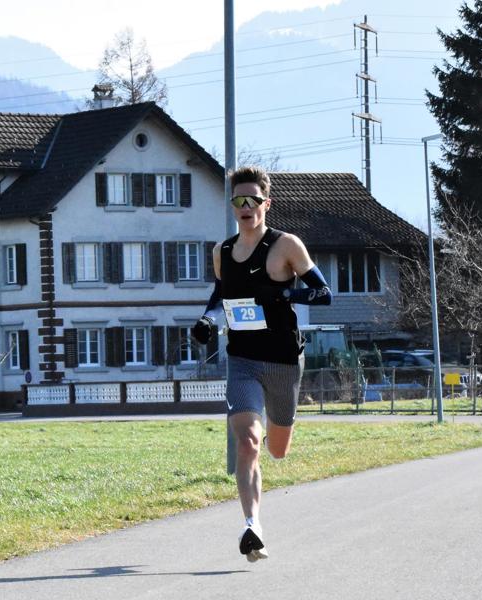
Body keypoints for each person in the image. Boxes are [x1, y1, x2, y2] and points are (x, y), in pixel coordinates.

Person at [192, 166, 332, 562]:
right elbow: (220, 297)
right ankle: (252, 526)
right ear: (233, 206)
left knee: (278, 450)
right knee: (247, 443)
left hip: (285, 361)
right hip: (243, 360)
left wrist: (285, 295)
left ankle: (280, 428)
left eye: (253, 199)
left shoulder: (286, 245)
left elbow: (324, 294)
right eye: (239, 200)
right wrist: (206, 321)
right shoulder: (222, 252)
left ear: (266, 204)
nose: (246, 206)